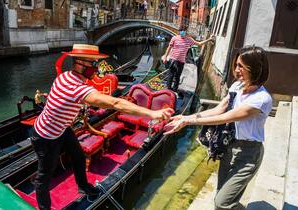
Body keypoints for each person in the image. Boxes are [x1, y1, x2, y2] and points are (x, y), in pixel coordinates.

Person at [30, 44, 174, 210]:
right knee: (44, 176)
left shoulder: (67, 76)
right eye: (93, 64)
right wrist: (152, 113)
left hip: (62, 129)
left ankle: (83, 187)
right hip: (46, 136)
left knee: (78, 156)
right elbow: (115, 103)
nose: (96, 68)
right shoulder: (75, 87)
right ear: (80, 63)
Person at [163, 46, 272, 210]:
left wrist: (188, 122)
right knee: (221, 196)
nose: (236, 70)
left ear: (256, 68)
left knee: (222, 203)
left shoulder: (261, 99)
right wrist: (186, 117)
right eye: (236, 65)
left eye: (241, 66)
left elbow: (225, 117)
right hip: (229, 148)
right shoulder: (237, 86)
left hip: (248, 154)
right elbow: (218, 109)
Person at [162, 25, 214, 93]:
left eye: (184, 31)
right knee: (170, 75)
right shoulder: (174, 38)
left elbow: (199, 44)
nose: (182, 32)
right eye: (181, 31)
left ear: (186, 31)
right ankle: (168, 90)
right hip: (173, 59)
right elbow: (169, 48)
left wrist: (209, 39)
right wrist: (165, 57)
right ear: (179, 31)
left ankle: (174, 91)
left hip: (181, 61)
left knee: (177, 77)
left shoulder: (189, 39)